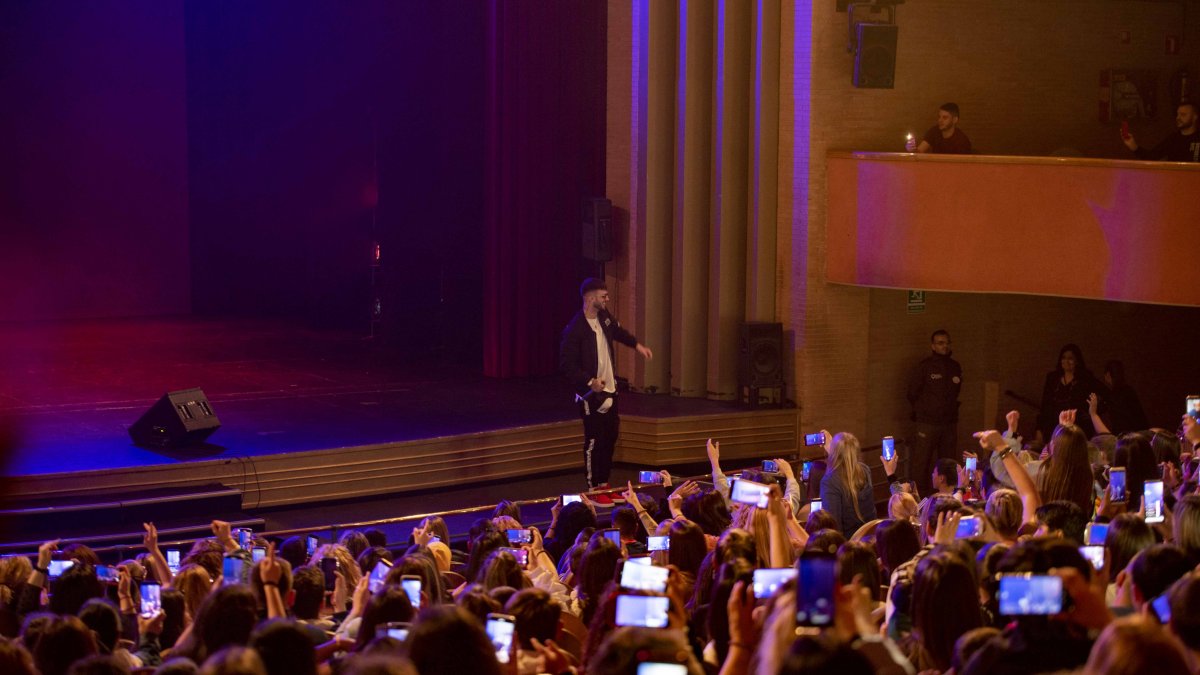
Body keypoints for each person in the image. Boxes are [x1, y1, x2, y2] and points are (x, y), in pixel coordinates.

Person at [558, 278, 653, 499]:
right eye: (603, 296)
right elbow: (567, 365)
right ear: (591, 299)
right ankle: (592, 488)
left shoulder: (604, 317)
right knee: (594, 439)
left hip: (610, 389)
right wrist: (590, 380)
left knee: (610, 436)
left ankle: (604, 484)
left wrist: (638, 346)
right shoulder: (575, 329)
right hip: (591, 394)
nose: (607, 299)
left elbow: (619, 332)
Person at [906, 329, 961, 493]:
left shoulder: (954, 367)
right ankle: (919, 503)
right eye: (940, 343)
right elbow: (912, 393)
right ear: (933, 346)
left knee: (948, 464)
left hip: (949, 424)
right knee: (920, 465)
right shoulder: (925, 367)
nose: (945, 346)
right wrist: (925, 410)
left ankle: (948, 498)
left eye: (947, 342)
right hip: (927, 424)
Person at [1036, 344, 1102, 442]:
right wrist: (1039, 429)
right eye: (1063, 358)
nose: (1066, 361)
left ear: (1077, 361)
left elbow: (1096, 400)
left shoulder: (1085, 380)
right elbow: (1045, 405)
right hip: (1053, 428)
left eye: (1070, 358)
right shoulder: (1052, 378)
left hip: (1077, 429)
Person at [819, 432, 875, 535]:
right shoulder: (865, 470)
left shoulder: (829, 482)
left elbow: (833, 526)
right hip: (870, 537)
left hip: (848, 546)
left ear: (835, 453)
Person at [1121, 102, 1200, 162]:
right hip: (1175, 180)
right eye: (1177, 114)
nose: (1178, 118)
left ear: (1194, 117)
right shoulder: (1173, 139)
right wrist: (1134, 146)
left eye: (1183, 115)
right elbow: (1151, 157)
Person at [905, 103, 972, 154]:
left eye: (945, 117)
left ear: (955, 120)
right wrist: (912, 150)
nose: (940, 120)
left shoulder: (962, 140)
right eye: (939, 117)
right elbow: (919, 151)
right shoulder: (934, 131)